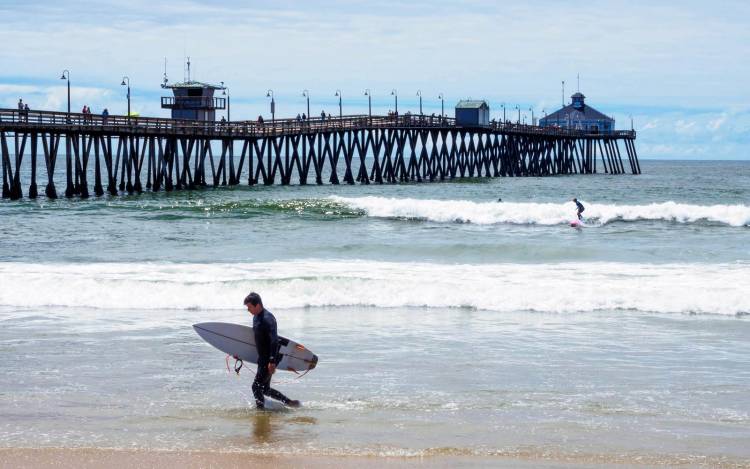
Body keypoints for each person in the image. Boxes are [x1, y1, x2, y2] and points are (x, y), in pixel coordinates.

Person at [244, 292, 301, 410]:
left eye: (249, 307)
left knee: (256, 387)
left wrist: (272, 361)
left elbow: (274, 340)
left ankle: (261, 412)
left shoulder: (268, 318)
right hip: (262, 358)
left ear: (257, 305)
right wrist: (240, 353)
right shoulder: (256, 317)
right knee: (264, 389)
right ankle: (289, 402)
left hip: (270, 357)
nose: (248, 310)